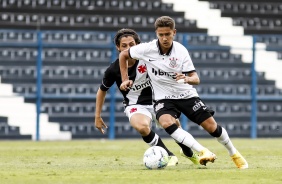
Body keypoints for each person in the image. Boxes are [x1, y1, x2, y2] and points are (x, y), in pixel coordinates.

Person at [119, 16, 248, 169]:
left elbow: (196, 78)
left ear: (174, 32)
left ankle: (234, 153)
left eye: (168, 34)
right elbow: (123, 55)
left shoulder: (181, 51)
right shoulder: (147, 49)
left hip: (186, 95)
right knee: (166, 122)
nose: (164, 38)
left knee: (212, 127)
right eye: (161, 35)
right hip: (163, 98)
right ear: (156, 34)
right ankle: (202, 151)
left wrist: (186, 79)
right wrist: (125, 79)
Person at [94, 28, 202, 167]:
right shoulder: (113, 70)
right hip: (135, 105)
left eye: (132, 44)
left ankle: (188, 153)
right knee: (142, 127)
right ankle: (168, 155)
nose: (128, 48)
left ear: (138, 44)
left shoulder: (149, 59)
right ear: (118, 48)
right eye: (124, 46)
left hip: (159, 100)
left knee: (174, 125)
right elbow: (102, 90)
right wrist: (97, 116)